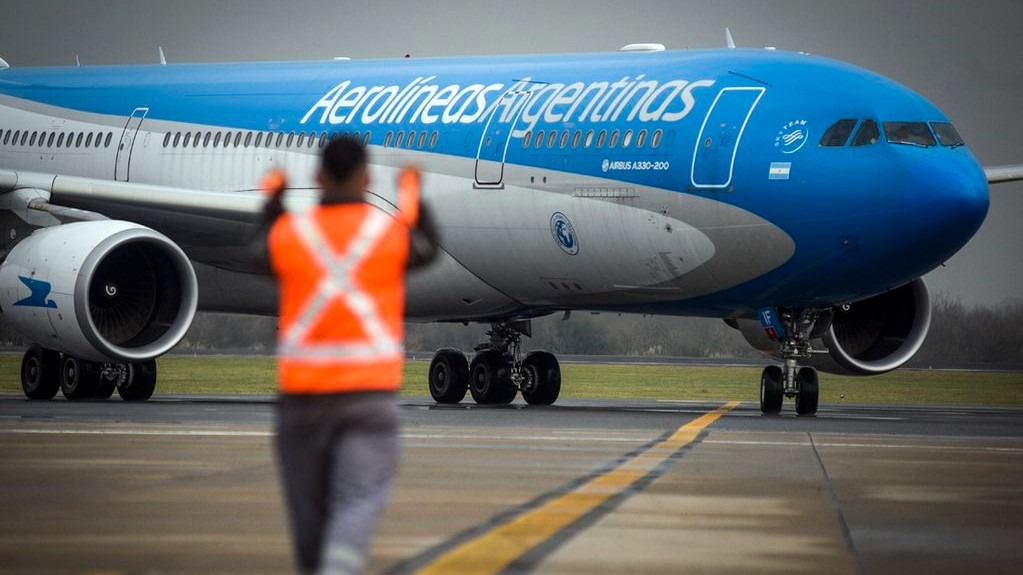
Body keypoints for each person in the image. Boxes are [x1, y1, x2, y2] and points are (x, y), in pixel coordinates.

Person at [259, 137, 438, 575]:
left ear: (318, 177)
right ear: (367, 178)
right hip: (368, 400)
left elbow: (258, 250)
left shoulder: (292, 233)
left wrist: (273, 197)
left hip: (302, 404)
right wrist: (411, 191)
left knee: (309, 522)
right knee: (355, 504)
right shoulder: (386, 234)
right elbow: (427, 244)